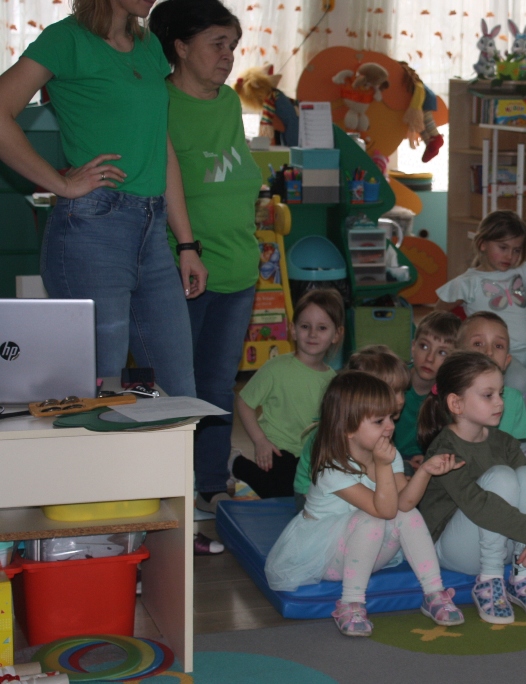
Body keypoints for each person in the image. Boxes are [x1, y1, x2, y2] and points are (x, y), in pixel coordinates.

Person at [0, 0, 207, 398]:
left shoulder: (147, 46)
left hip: (152, 231)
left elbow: (159, 145)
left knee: (179, 390)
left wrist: (185, 244)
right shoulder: (66, 39)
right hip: (93, 231)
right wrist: (61, 184)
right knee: (98, 392)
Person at [149, 0, 262, 553]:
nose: (228, 55)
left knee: (218, 385)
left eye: (232, 45)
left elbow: (229, 172)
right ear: (180, 46)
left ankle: (211, 485)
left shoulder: (230, 101)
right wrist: (187, 247)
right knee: (177, 388)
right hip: (185, 269)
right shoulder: (158, 102)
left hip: (240, 266)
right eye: (216, 43)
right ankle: (168, 489)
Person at [264, 371, 464, 638]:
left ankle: (434, 593)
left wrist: (425, 471)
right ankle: (351, 603)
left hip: (366, 553)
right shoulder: (332, 469)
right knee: (372, 519)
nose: (390, 427)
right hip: (325, 557)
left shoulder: (387, 454)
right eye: (379, 421)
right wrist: (382, 465)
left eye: (391, 417)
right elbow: (384, 510)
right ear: (348, 428)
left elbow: (404, 503)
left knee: (407, 515)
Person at [418, 351, 526, 624]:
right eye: (488, 395)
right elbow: (479, 506)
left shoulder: (504, 441)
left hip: (500, 543)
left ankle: (522, 576)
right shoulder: (445, 449)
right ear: (456, 403)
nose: (499, 402)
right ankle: (489, 581)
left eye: (500, 393)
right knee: (502, 477)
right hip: (454, 551)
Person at [436, 211, 526, 447]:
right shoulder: (469, 281)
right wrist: (457, 342)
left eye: (516, 250)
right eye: (502, 247)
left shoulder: (523, 271)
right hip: (495, 354)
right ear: (483, 244)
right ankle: (512, 445)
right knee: (518, 380)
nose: (510, 256)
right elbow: (439, 312)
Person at [232, 289, 343, 502]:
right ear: (293, 330)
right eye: (305, 326)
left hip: (310, 455)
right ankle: (236, 463)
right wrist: (260, 441)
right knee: (284, 493)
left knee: (319, 493)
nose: (312, 334)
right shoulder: (276, 368)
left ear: (336, 335)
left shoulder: (333, 380)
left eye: (322, 328)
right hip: (277, 448)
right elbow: (244, 402)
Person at [294, 345, 410, 510]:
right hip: (317, 498)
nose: (400, 400)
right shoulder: (334, 432)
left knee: (405, 470)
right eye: (392, 392)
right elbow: (336, 477)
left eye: (402, 391)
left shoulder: (376, 427)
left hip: (358, 478)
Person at [394, 311, 461, 473]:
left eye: (442, 352)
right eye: (424, 346)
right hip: (388, 461)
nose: (429, 358)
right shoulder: (392, 382)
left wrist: (430, 458)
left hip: (428, 463)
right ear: (413, 346)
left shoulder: (452, 396)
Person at [456, 312, 526, 445]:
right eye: (478, 343)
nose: (489, 351)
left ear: (506, 361)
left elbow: (514, 449)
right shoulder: (452, 398)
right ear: (458, 354)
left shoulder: (514, 399)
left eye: (498, 346)